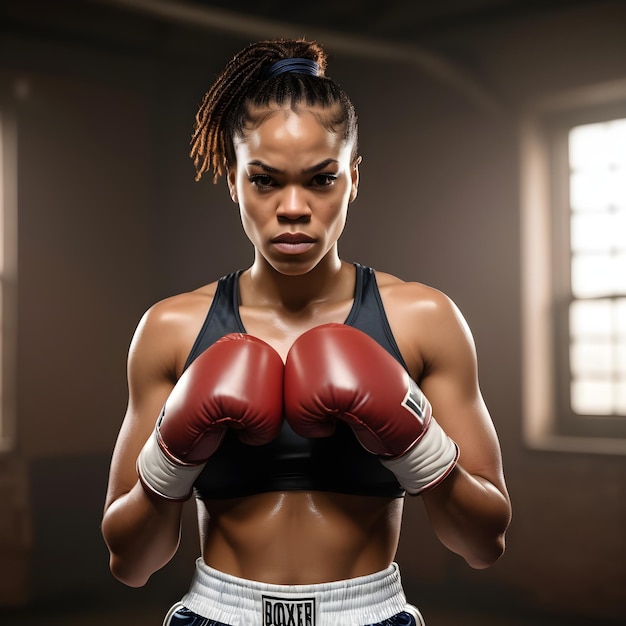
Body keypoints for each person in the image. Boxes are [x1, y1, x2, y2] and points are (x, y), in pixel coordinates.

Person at [101, 38, 512, 626]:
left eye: (320, 180)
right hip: (218, 612)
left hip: (369, 614)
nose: (293, 208)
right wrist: (173, 456)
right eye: (266, 180)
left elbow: (484, 544)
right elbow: (130, 561)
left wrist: (416, 443)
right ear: (234, 181)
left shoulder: (423, 320)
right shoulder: (172, 328)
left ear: (353, 178)